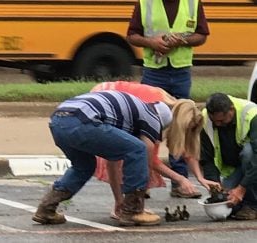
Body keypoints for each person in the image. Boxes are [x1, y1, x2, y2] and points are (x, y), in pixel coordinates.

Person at [32, 90, 172, 226]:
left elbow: (112, 162)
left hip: (58, 121)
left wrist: (119, 201)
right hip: (82, 121)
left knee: (84, 166)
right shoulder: (152, 117)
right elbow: (145, 153)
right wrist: (138, 200)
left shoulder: (127, 115)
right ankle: (133, 211)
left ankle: (46, 209)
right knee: (138, 149)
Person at [92, 81, 219, 219]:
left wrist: (200, 178)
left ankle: (125, 205)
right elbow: (151, 161)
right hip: (104, 101)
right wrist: (180, 179)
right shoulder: (156, 114)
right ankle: (121, 206)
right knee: (121, 157)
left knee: (130, 155)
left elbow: (187, 147)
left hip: (110, 99)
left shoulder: (175, 107)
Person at [126, 0, 210, 198]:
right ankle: (142, 181)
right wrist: (151, 42)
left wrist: (181, 40)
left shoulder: (192, 3)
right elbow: (131, 35)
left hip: (181, 71)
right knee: (148, 125)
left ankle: (179, 181)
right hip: (154, 72)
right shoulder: (145, 3)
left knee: (181, 126)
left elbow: (202, 35)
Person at [200, 93, 257, 220]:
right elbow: (207, 158)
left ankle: (253, 205)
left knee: (248, 153)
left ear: (231, 109)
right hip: (234, 169)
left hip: (252, 164)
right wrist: (215, 186)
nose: (218, 124)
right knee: (228, 204)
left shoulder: (252, 114)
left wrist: (241, 189)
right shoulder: (205, 119)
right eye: (215, 121)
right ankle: (245, 201)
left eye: (221, 120)